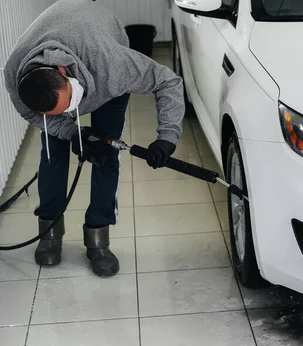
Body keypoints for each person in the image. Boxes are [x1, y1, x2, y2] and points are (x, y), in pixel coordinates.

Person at [3, 0, 185, 277]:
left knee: (106, 152)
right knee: (53, 151)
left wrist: (167, 137)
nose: (69, 114)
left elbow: (168, 81)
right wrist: (68, 132)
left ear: (63, 70)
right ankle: (49, 232)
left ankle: (98, 238)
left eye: (67, 106)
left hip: (99, 61)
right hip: (71, 41)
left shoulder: (113, 64)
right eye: (57, 112)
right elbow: (36, 117)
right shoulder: (15, 75)